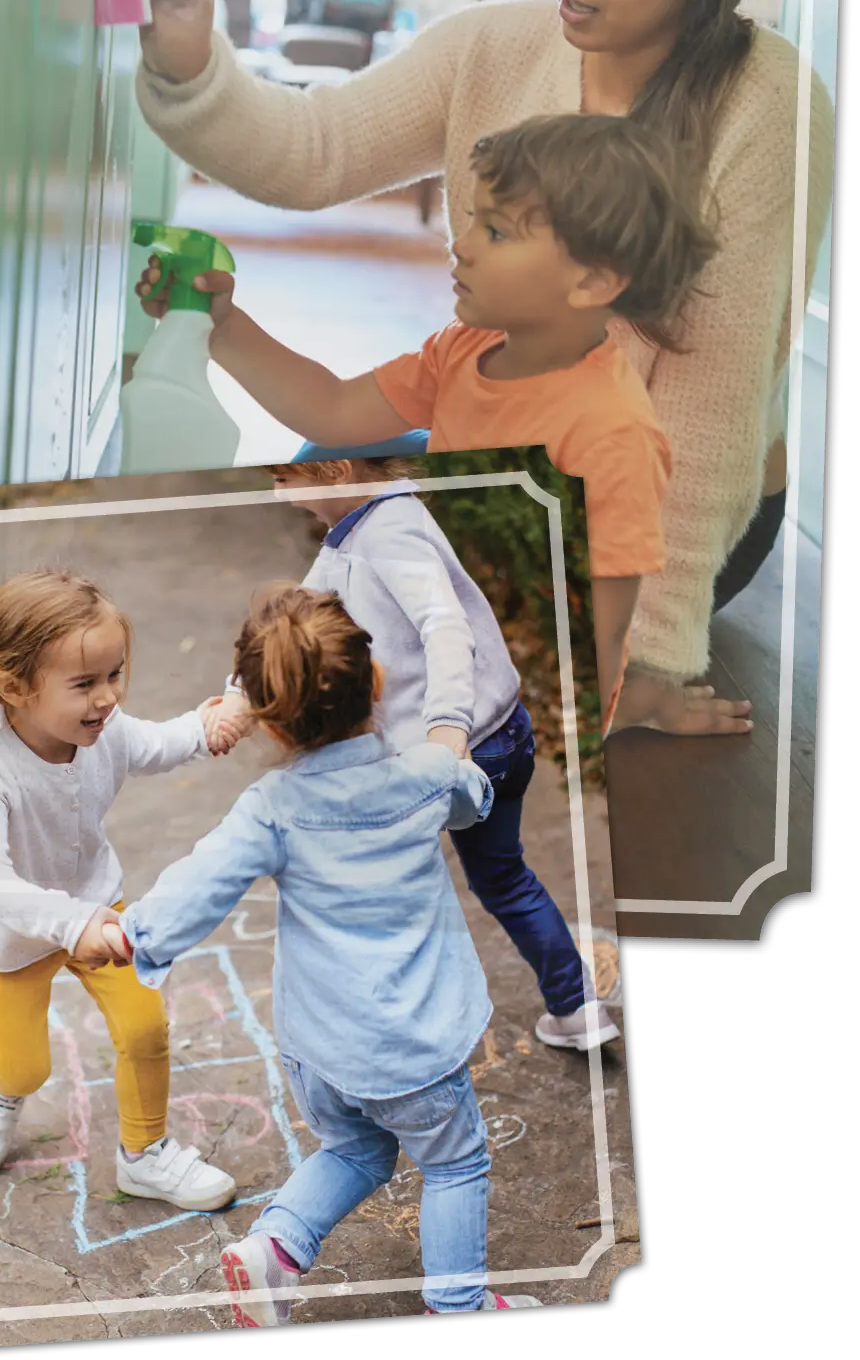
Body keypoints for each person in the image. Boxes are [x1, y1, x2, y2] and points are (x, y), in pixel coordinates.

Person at [129, 0, 835, 738]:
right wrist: (190, 63)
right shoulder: (495, 46)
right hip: (516, 451)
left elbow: (709, 416)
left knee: (435, 626)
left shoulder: (772, 109)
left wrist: (637, 672)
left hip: (657, 518)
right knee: (321, 479)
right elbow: (313, 150)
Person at [137, 111, 723, 737]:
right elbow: (332, 408)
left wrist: (597, 715)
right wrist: (221, 325)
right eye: (472, 217)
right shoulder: (467, 345)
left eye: (495, 232)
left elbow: (604, 615)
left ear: (593, 281)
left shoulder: (612, 435)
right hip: (445, 574)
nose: (462, 242)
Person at [106, 585, 541, 1324]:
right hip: (417, 1048)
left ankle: (274, 1248)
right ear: (376, 682)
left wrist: (139, 932)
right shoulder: (423, 775)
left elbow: (202, 881)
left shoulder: (273, 806)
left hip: (320, 1050)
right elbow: (474, 797)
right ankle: (457, 1303)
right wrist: (451, 754)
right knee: (454, 1161)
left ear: (271, 722)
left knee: (358, 1150)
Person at [206, 456, 620, 1053]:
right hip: (497, 737)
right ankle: (576, 1007)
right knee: (503, 878)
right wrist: (240, 697)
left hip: (454, 752)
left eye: (283, 480)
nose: (279, 497)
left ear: (335, 469)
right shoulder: (354, 531)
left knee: (389, 888)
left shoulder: (390, 528)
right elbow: (294, 621)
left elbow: (444, 624)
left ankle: (399, 1035)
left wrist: (448, 725)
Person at [0, 568, 239, 1211]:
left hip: (100, 902)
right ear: (15, 688)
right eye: (85, 684)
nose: (107, 698)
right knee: (24, 1067)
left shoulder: (105, 727)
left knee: (144, 1026)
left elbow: (156, 742)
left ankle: (145, 1156)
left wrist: (209, 726)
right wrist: (72, 926)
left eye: (114, 674)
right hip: (16, 938)